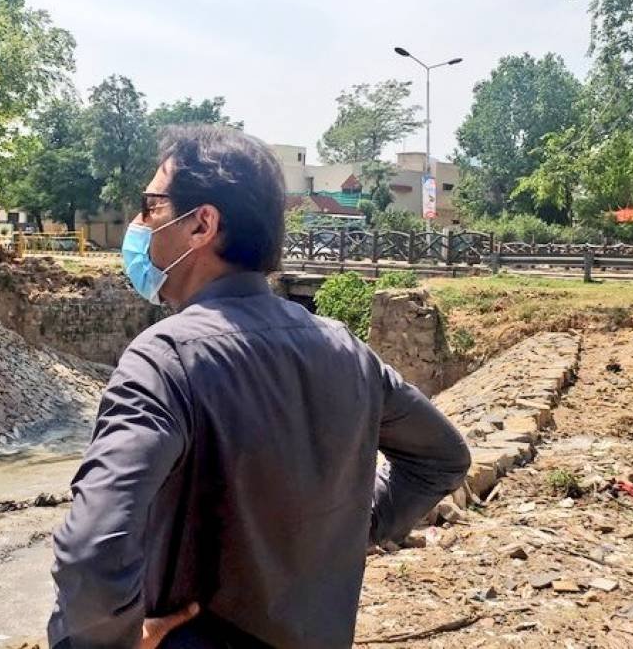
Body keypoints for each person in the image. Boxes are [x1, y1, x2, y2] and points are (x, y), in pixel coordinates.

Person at [48, 126, 471, 649]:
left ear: (201, 224)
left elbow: (90, 550)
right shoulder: (346, 351)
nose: (139, 224)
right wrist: (353, 527)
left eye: (151, 206)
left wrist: (115, 638)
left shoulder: (164, 361)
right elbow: (443, 457)